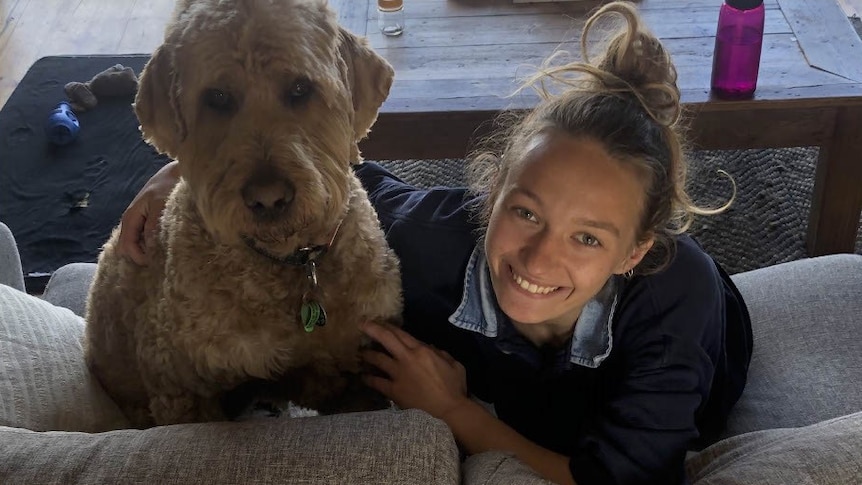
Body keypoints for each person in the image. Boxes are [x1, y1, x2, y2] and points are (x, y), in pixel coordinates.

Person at [118, 3, 752, 484]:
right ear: (490, 197)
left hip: (682, 379)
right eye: (525, 213)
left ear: (635, 250)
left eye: (587, 236)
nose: (536, 259)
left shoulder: (677, 299)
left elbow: (614, 479)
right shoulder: (426, 245)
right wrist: (183, 170)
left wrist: (454, 412)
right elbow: (342, 177)